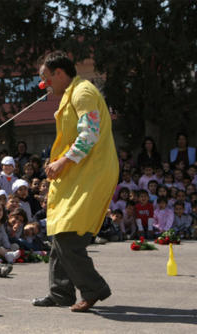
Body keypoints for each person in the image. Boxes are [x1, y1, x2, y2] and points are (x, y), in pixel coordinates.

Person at [32, 51, 118, 312]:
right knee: (59, 232)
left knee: (68, 237)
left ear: (59, 73)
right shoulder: (72, 94)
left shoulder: (82, 93)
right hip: (79, 174)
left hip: (92, 174)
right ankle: (60, 293)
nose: (45, 85)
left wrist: (62, 161)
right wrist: (58, 160)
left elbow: (89, 135)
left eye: (46, 78)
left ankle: (94, 289)